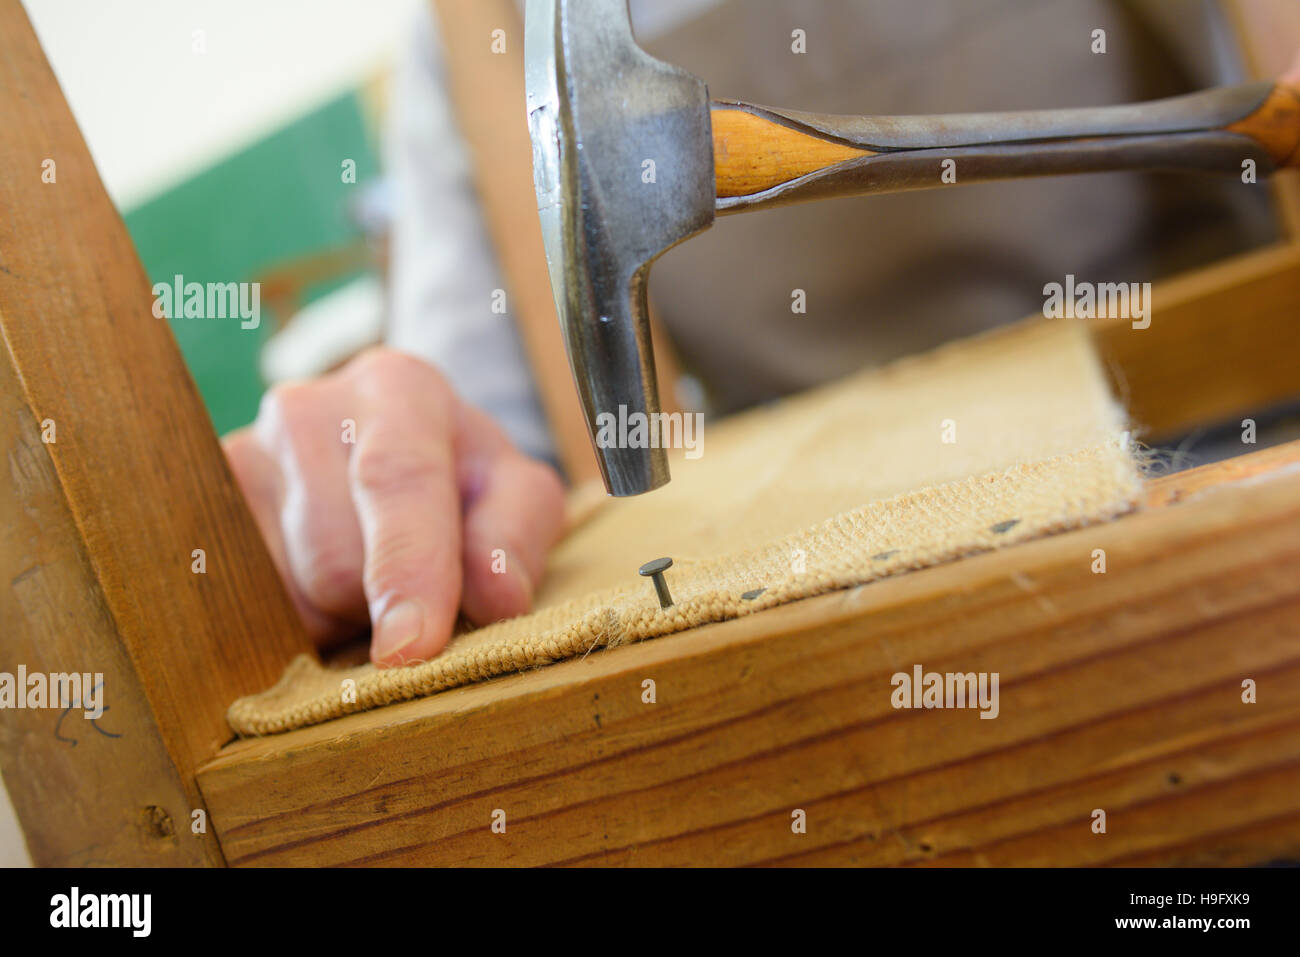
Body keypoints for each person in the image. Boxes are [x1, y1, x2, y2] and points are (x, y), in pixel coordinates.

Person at [223, 0, 1294, 667]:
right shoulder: (477, 30)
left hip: (1243, 482)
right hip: (827, 604)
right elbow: (493, 461)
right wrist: (406, 460)